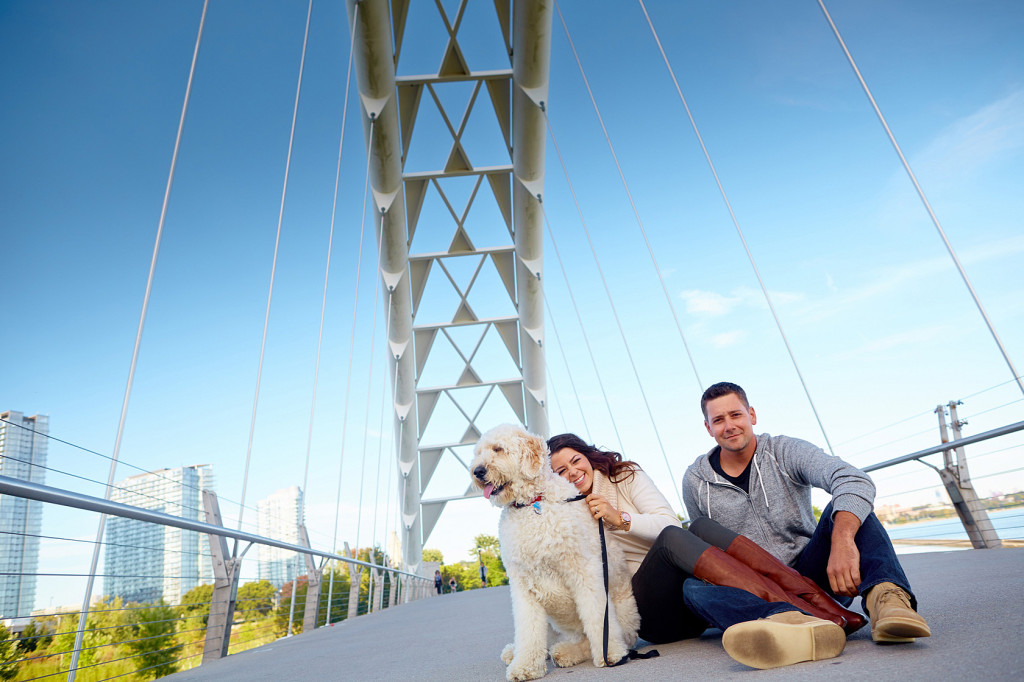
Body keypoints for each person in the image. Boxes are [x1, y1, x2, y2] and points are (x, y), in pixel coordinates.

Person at [682, 381, 930, 669]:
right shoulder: (696, 481)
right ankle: (787, 622)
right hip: (757, 588)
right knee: (693, 587)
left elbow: (853, 479)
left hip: (816, 579)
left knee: (848, 509)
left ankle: (887, 602)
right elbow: (707, 551)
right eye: (718, 420)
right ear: (708, 428)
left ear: (752, 414)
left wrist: (842, 542)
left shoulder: (785, 450)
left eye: (735, 415)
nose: (729, 425)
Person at [547, 433, 861, 653]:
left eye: (576, 461)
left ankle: (817, 602)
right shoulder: (563, 513)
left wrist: (622, 519)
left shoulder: (625, 476)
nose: (572, 472)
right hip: (648, 610)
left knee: (698, 527)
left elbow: (668, 522)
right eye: (560, 471)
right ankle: (806, 608)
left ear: (588, 457)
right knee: (673, 540)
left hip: (685, 591)